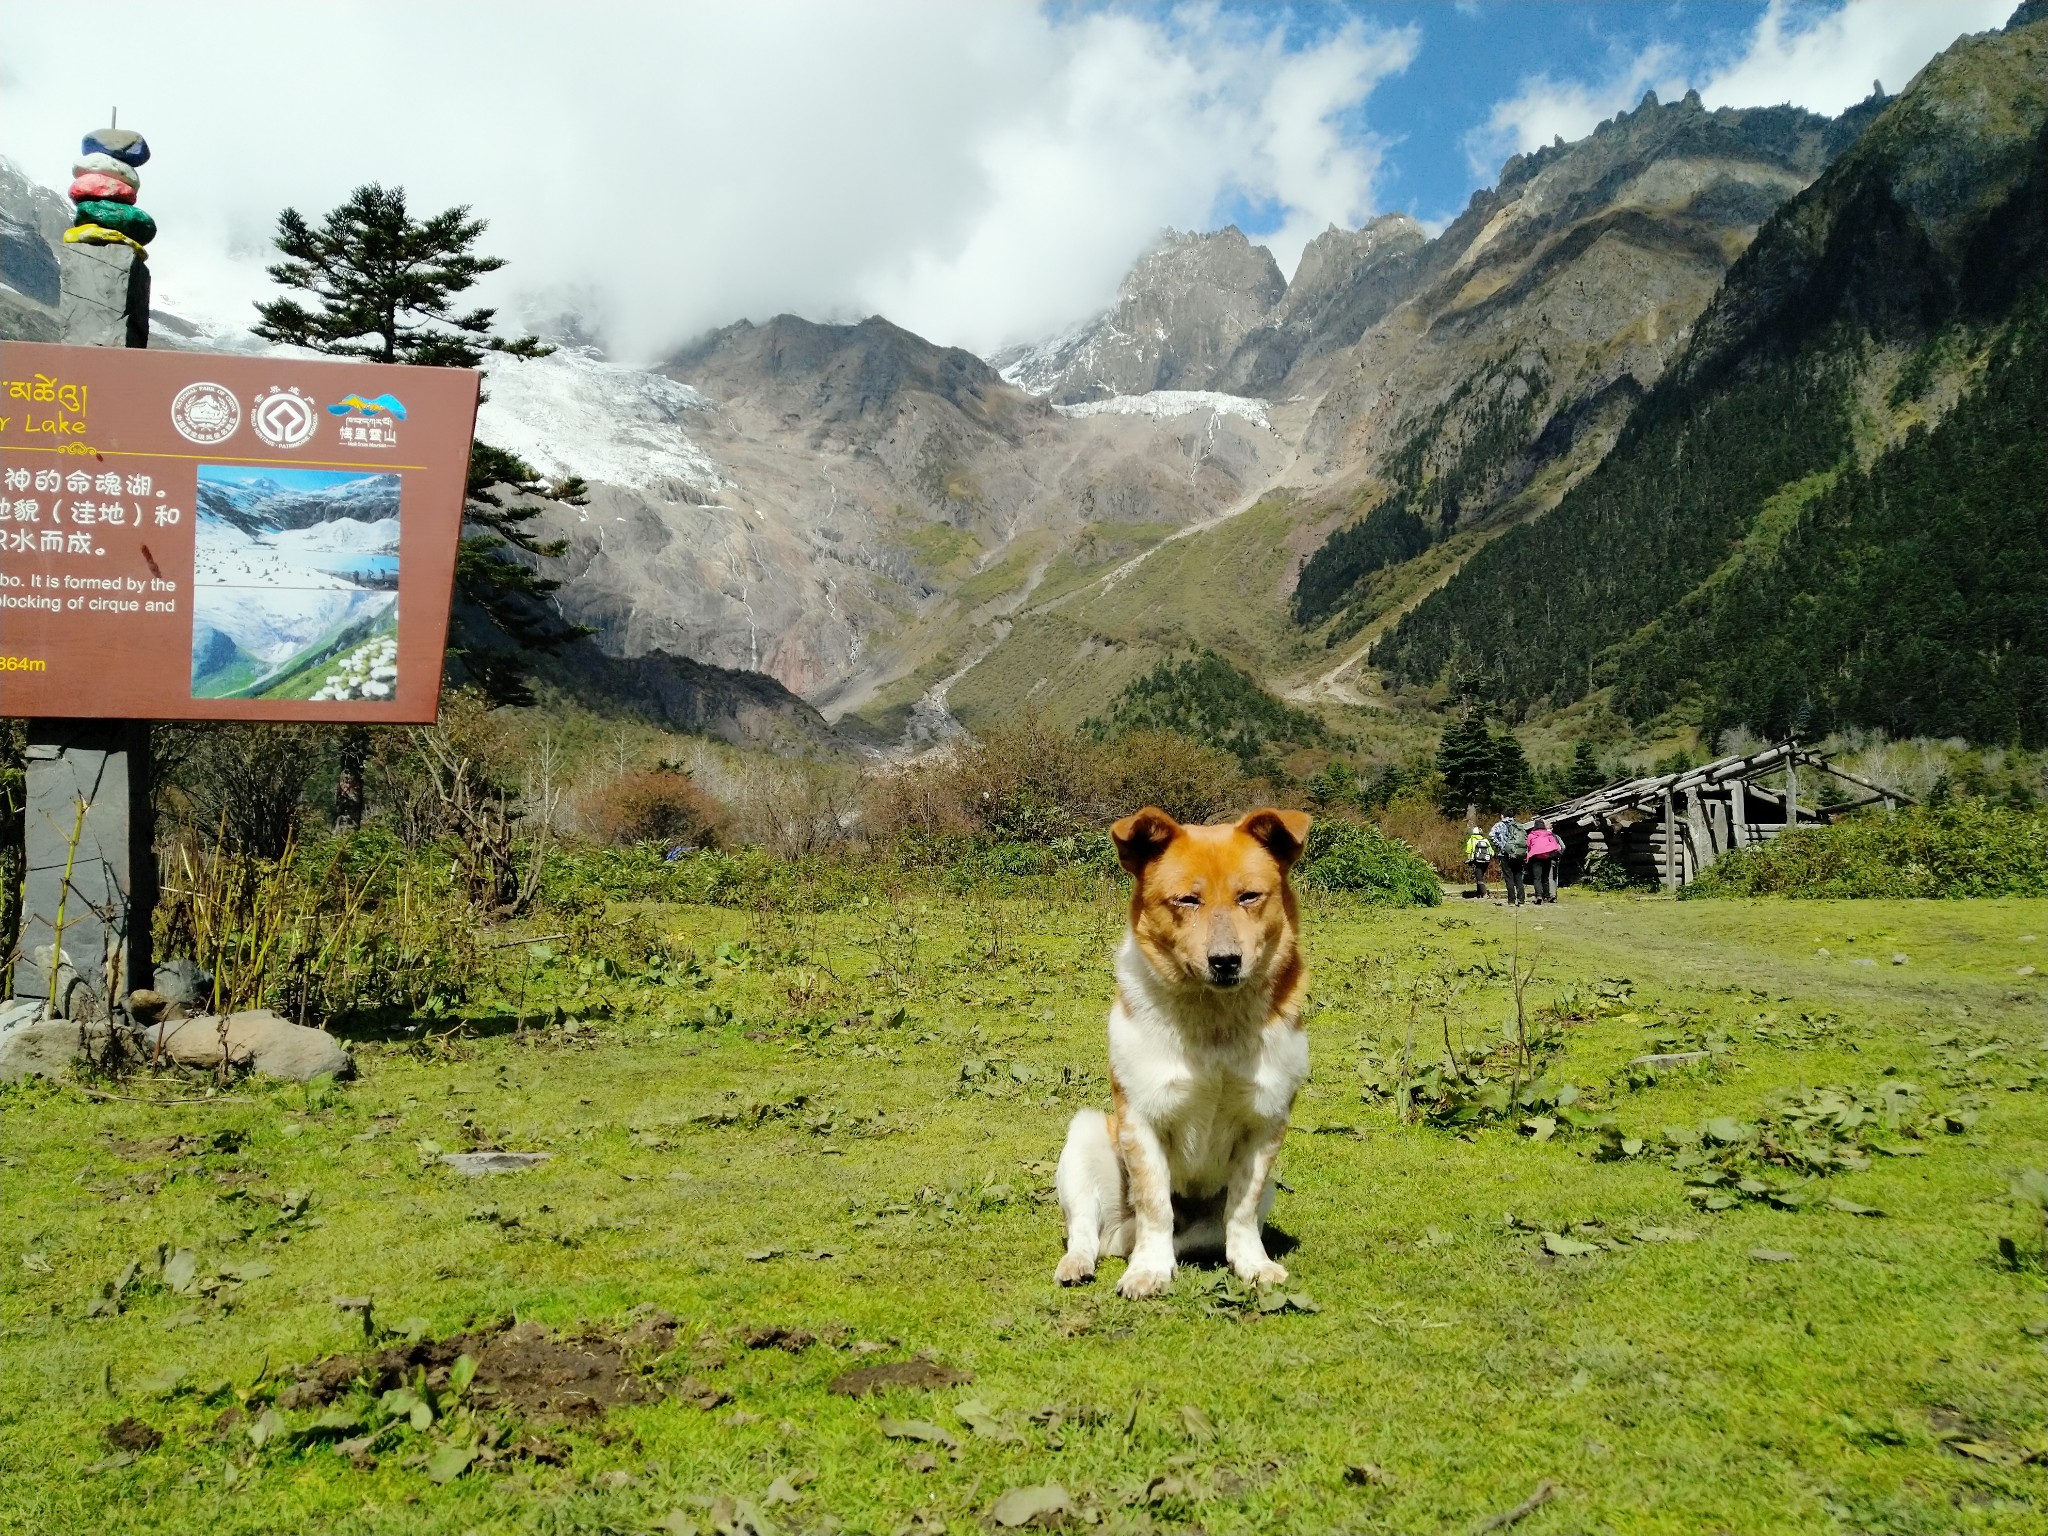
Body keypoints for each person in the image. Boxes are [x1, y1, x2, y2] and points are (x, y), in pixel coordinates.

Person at [1490, 810, 1530, 906]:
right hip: (1518, 854)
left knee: (1509, 877)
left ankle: (1511, 900)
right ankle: (1521, 899)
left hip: (1505, 854)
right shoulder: (1518, 825)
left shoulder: (1499, 825)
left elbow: (1492, 836)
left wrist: (1502, 846)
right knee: (1518, 876)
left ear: (1502, 815)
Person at [1527, 817, 1563, 903]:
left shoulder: (1531, 835)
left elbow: (1528, 846)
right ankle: (1547, 896)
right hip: (1547, 857)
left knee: (1537, 878)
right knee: (1546, 878)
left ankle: (1539, 896)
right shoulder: (1548, 834)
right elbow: (1556, 846)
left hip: (1536, 858)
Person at [1463, 825, 1493, 898]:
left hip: (1476, 861)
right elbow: (1492, 852)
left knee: (1479, 877)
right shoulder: (1485, 840)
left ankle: (1484, 893)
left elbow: (1468, 851)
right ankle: (1479, 893)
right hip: (1486, 861)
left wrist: (1469, 859)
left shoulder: (1471, 840)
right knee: (1480, 876)